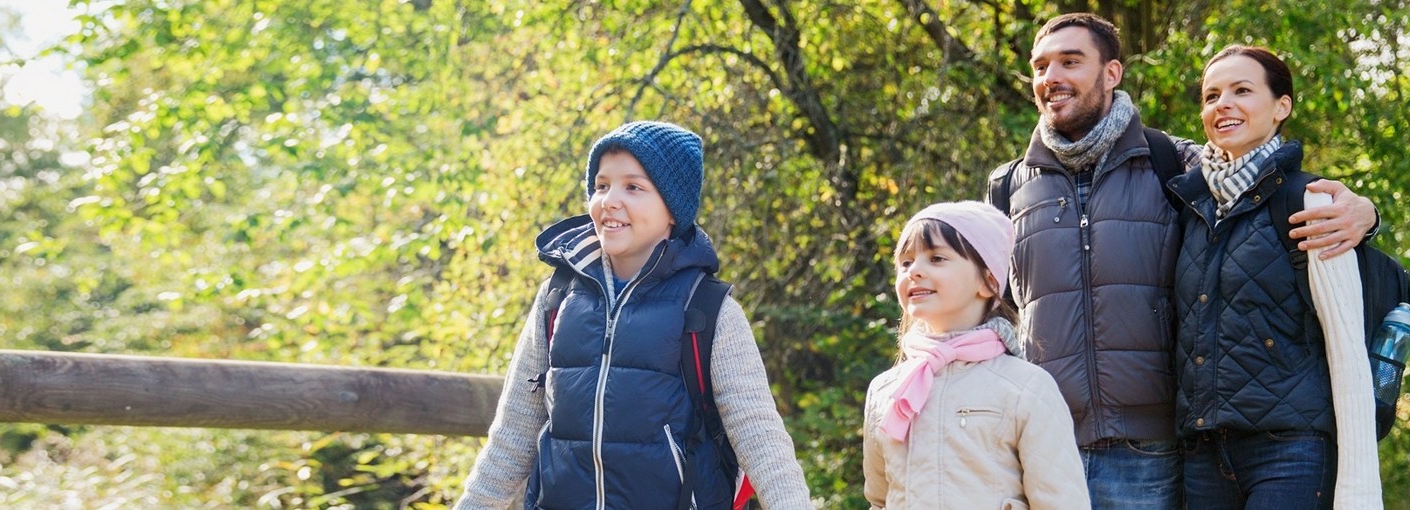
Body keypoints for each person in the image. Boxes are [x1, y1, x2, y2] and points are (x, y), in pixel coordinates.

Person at [989, 13, 1380, 509]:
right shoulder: (1007, 187)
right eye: (1041, 66)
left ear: (1112, 73)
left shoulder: (1177, 165)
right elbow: (991, 315)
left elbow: (1253, 178)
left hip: (1152, 450)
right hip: (1046, 446)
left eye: (1071, 61)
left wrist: (1365, 213)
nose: (1052, 77)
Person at [454, 121, 812, 509]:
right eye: (602, 185)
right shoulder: (557, 298)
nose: (609, 200)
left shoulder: (708, 309)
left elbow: (761, 439)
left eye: (633, 187)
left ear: (673, 210)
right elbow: (513, 436)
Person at [1171, 45, 1347, 509]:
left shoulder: (1312, 202)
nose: (1221, 104)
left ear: (1281, 107)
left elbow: (1346, 338)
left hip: (1289, 448)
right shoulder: (1189, 206)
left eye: (1241, 91)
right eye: (1211, 96)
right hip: (1203, 452)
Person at [862, 201, 1089, 509]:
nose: (914, 271)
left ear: (987, 282)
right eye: (905, 263)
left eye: (936, 258)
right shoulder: (886, 390)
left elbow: (1062, 502)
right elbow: (879, 499)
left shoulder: (1026, 387)